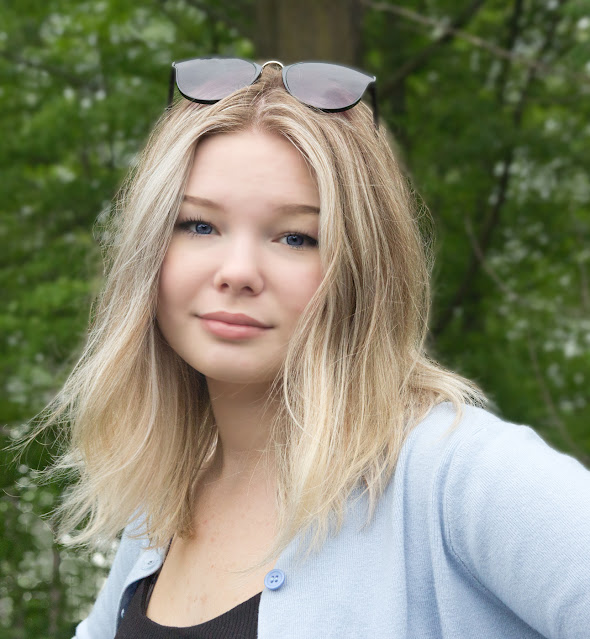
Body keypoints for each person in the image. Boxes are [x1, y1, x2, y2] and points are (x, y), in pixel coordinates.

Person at [19, 58, 590, 638]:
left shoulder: (455, 473)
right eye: (198, 225)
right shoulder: (159, 508)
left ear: (362, 268)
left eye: (296, 236)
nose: (237, 272)